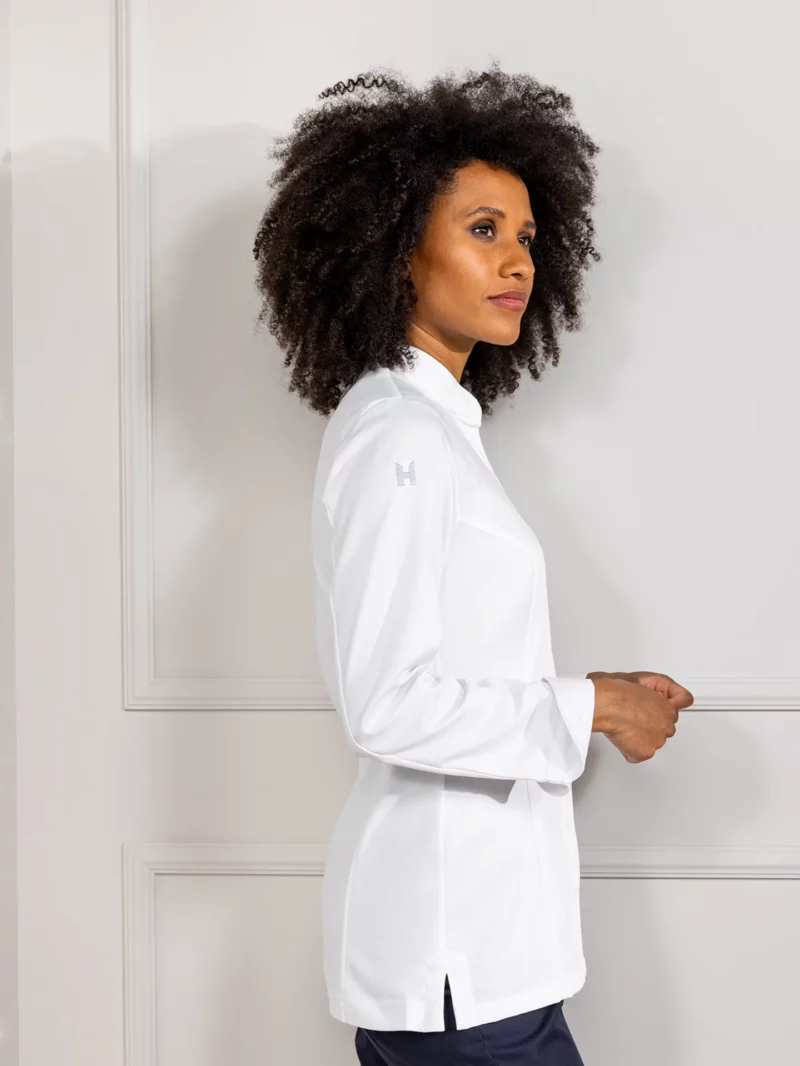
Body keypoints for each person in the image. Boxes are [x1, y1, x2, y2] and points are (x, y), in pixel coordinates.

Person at [253, 63, 694, 1066]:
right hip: (456, 959)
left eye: (527, 237)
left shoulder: (429, 427)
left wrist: (598, 694)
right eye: (482, 229)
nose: (516, 261)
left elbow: (453, 660)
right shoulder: (399, 437)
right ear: (396, 249)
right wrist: (594, 707)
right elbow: (385, 703)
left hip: (478, 950)